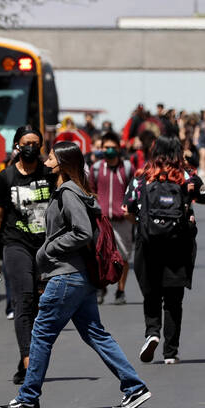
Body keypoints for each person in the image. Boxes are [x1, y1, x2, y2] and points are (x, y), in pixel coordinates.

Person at [0, 142, 152, 408]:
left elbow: (81, 232)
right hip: (79, 278)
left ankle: (28, 397)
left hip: (66, 277)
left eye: (53, 156)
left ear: (64, 162)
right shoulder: (75, 190)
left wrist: (47, 249)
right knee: (96, 334)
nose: (47, 159)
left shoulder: (68, 192)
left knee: (41, 335)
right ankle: (134, 387)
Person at [127, 136, 205, 365]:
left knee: (151, 292)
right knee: (174, 299)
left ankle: (152, 332)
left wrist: (146, 224)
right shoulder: (187, 176)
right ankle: (170, 352)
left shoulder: (142, 176)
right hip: (178, 244)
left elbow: (127, 207)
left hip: (148, 243)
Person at [0, 126, 56, 385]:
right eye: (27, 143)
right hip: (16, 245)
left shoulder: (50, 175)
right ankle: (29, 361)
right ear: (17, 145)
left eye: (36, 143)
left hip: (46, 248)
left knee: (39, 308)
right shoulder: (6, 177)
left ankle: (25, 359)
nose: (31, 147)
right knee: (23, 301)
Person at [90, 131, 133, 305]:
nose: (109, 151)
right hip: (102, 221)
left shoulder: (128, 168)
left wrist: (129, 210)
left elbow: (134, 191)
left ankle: (120, 291)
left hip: (122, 220)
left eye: (112, 148)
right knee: (100, 257)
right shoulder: (96, 168)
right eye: (106, 148)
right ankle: (101, 287)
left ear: (119, 148)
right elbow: (90, 191)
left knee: (122, 258)